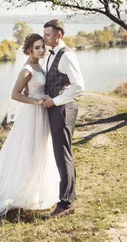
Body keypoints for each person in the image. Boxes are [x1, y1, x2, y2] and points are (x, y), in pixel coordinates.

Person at [0, 33, 60, 218]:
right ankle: (22, 193)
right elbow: (15, 95)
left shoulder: (39, 65)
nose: (41, 50)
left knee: (42, 149)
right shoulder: (26, 70)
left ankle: (38, 191)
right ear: (28, 50)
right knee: (29, 150)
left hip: (42, 112)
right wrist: (36, 102)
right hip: (32, 114)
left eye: (42, 47)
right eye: (37, 47)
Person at [42, 19, 85, 218]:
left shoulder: (67, 56)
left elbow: (79, 86)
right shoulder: (51, 54)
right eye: (44, 34)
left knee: (63, 154)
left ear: (59, 35)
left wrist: (55, 101)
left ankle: (66, 204)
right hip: (56, 107)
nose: (44, 38)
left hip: (63, 109)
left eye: (48, 35)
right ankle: (67, 196)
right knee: (60, 154)